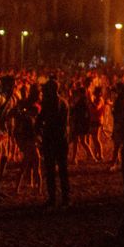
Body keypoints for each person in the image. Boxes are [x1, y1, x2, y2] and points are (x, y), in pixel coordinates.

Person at [39, 80, 71, 208]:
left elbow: (42, 119)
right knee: (63, 170)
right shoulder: (64, 102)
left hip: (52, 140)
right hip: (61, 140)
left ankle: (53, 198)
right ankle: (65, 198)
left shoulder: (50, 103)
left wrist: (39, 129)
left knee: (51, 170)